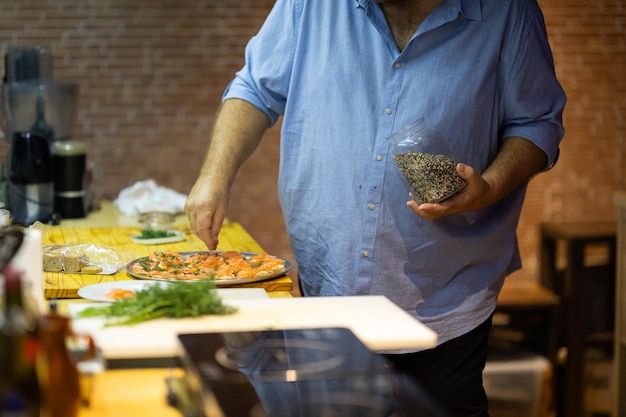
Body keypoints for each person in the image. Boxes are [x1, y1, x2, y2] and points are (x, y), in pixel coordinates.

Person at [185, 1, 566, 416]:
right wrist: (214, 176)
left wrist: (488, 187)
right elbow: (255, 89)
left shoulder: (508, 11)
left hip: (447, 300)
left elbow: (536, 123)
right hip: (329, 291)